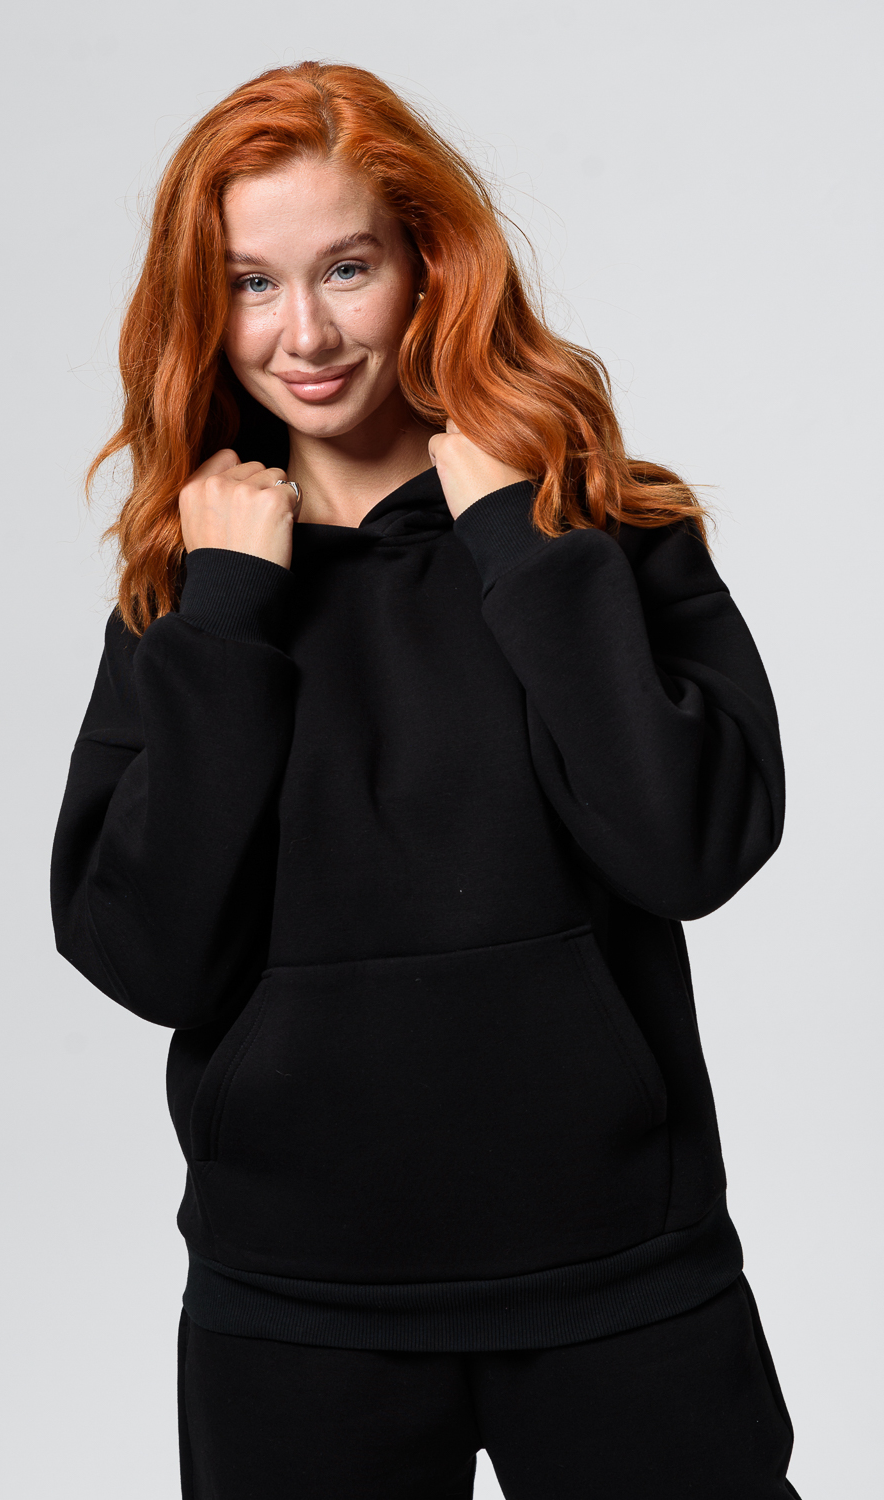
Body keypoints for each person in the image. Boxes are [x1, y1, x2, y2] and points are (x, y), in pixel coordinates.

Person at [51, 61, 799, 1500]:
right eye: (252, 283)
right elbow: (144, 953)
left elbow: (690, 847)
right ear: (204, 307)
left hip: (621, 1279)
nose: (306, 333)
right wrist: (226, 615)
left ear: (426, 266)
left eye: (347, 268)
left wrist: (521, 538)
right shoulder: (194, 595)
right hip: (296, 1305)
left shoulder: (594, 532)